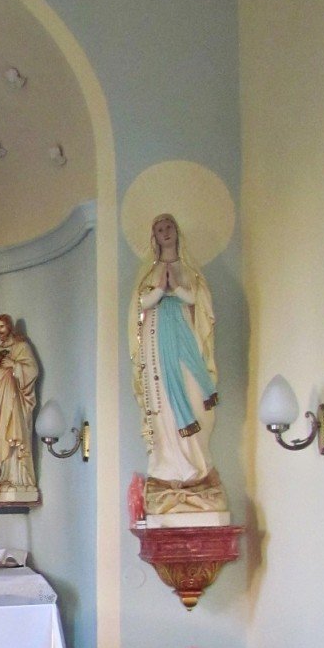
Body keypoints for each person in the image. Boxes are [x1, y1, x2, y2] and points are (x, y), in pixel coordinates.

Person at [128, 213, 225, 508]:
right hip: (158, 351)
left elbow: (202, 304)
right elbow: (138, 305)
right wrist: (160, 290)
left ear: (177, 231)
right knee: (165, 409)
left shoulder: (190, 270)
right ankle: (168, 471)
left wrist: (178, 290)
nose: (165, 232)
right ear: (154, 237)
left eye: (169, 226)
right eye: (159, 229)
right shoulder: (149, 272)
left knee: (194, 397)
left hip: (186, 347)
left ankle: (197, 470)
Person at [0, 313, 40, 501]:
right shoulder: (0, 350)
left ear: (9, 327)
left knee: (13, 433)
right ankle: (6, 475)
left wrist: (14, 365)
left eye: (1, 327)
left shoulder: (21, 347)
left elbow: (32, 370)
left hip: (15, 401)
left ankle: (19, 478)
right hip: (1, 400)